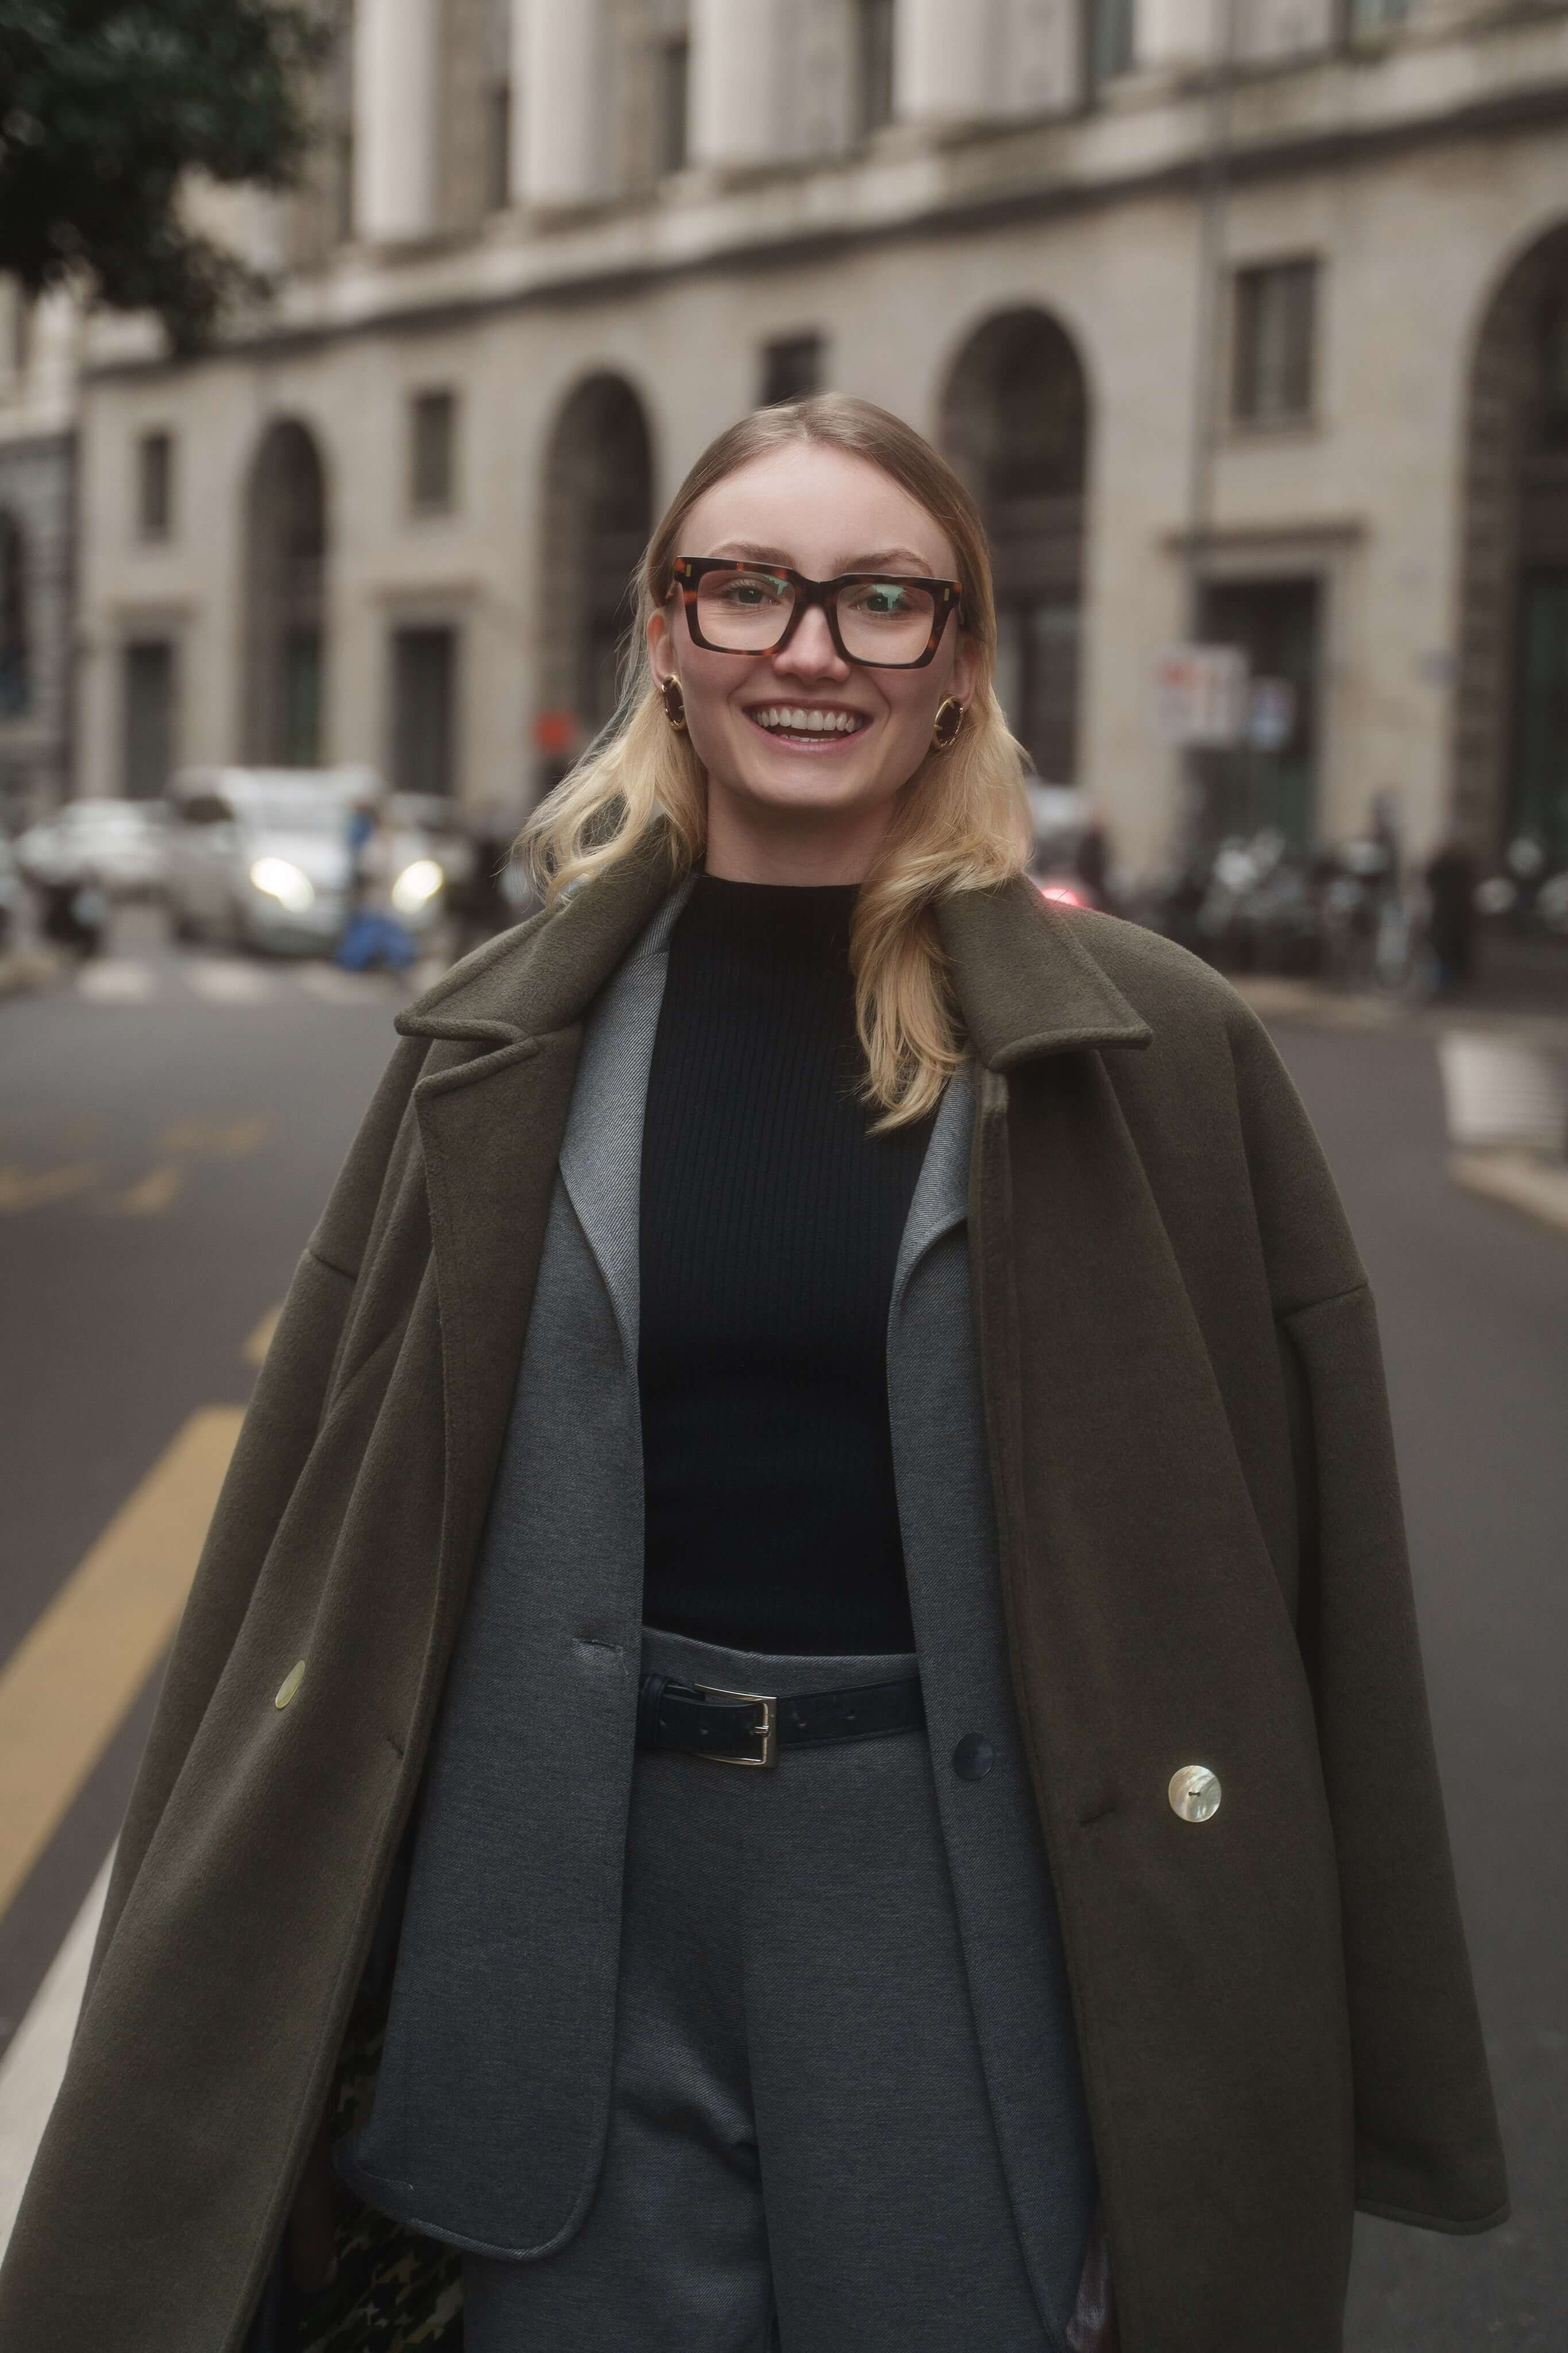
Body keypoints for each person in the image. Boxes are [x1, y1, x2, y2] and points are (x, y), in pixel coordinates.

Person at [0, 398, 1506, 2353]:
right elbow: (305, 1539)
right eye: (751, 589)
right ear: (667, 636)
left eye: (884, 599)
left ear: (960, 660)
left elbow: (1318, 1601)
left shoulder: (1161, 1050)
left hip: (952, 1905)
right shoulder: (494, 1038)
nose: (813, 649)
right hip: (552, 1895)